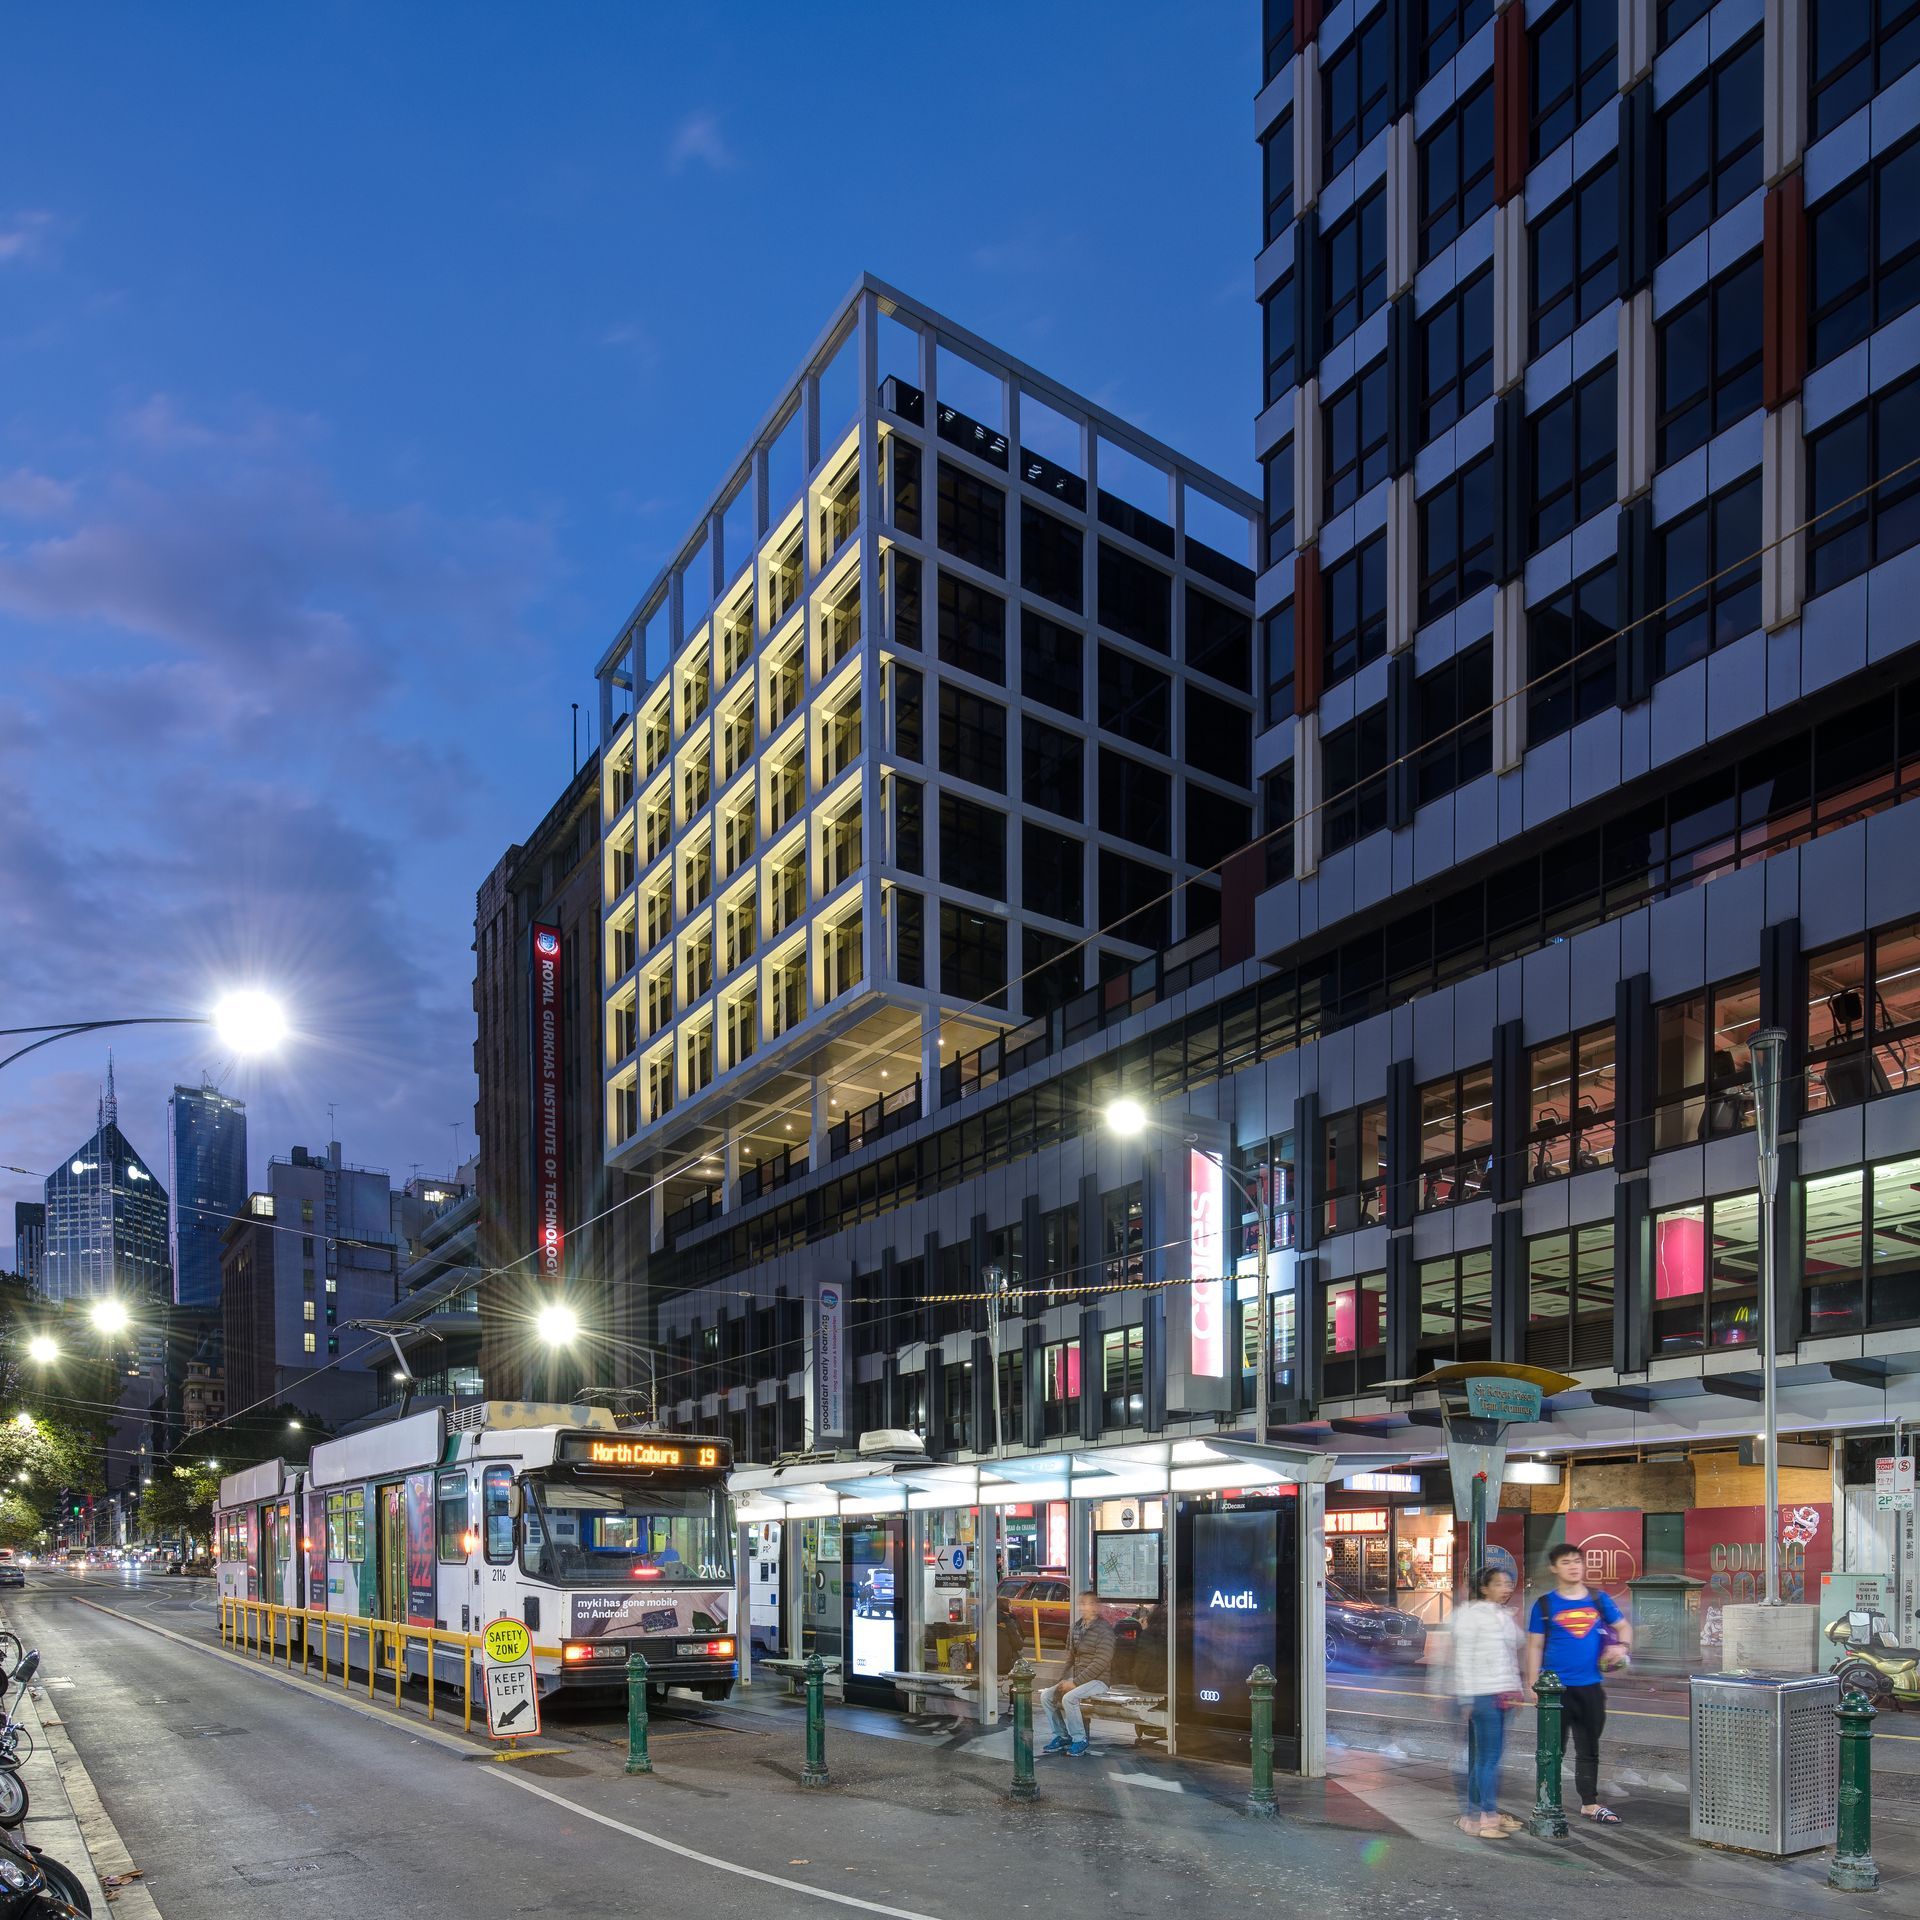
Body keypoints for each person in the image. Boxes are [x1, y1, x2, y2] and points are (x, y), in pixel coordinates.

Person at [1523, 1542, 1633, 1824]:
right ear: (1553, 1568)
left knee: (1588, 1748)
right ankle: (1549, 1801)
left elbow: (1623, 1627)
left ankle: (1589, 1803)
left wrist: (1622, 1647)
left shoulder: (1598, 1599)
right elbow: (1534, 1646)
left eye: (1576, 1561)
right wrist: (1532, 1683)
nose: (1573, 1566)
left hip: (1590, 1687)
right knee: (1552, 1751)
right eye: (1565, 1562)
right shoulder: (1545, 1604)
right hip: (1554, 1690)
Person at [1449, 1566, 1525, 1838]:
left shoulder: (1501, 1615)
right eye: (1499, 1584)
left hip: (1502, 1693)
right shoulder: (1471, 1615)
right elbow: (1464, 1658)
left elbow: (1514, 1649)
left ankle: (1472, 1816)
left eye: (1508, 1584)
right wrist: (1467, 1697)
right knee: (1489, 1759)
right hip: (1483, 1694)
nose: (1506, 1589)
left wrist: (1516, 1690)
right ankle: (1487, 1817)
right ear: (1484, 1588)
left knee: (1487, 1758)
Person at [1039, 1589, 1116, 1757]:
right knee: (1046, 1696)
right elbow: (1069, 1656)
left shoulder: (1104, 1630)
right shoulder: (1076, 1627)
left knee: (1069, 1698)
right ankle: (1062, 1735)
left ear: (1096, 1606)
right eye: (1081, 1603)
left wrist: (1075, 1683)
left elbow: (1102, 1662)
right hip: (1079, 1679)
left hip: (1099, 1680)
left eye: (1087, 1603)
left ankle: (1079, 1739)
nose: (1083, 1607)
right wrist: (1061, 1680)